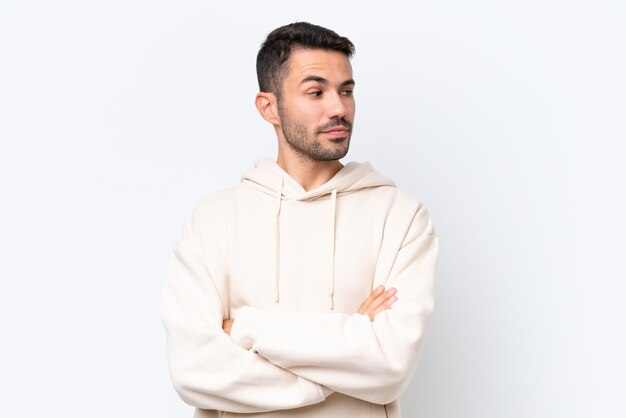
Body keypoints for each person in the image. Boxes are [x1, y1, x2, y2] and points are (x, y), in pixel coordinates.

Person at [160, 22, 438, 418]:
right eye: (316, 91)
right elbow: (195, 372)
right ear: (268, 106)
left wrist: (246, 330)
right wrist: (348, 355)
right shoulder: (213, 220)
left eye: (346, 90)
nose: (339, 107)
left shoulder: (400, 216)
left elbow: (389, 367)